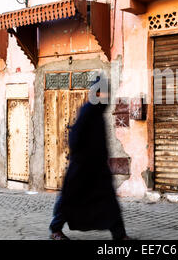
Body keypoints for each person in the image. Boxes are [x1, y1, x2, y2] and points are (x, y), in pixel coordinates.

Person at [49, 74, 130, 240]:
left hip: (98, 169)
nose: (104, 96)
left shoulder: (97, 113)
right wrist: (81, 160)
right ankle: (55, 229)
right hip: (82, 168)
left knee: (109, 201)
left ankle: (119, 235)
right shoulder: (87, 110)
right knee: (69, 199)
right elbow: (74, 138)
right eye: (101, 93)